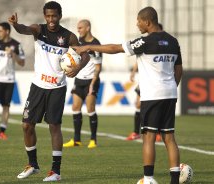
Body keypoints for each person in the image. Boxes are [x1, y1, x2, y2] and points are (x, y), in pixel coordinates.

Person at [73, 7, 183, 184]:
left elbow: (115, 48)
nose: (137, 24)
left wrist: (88, 46)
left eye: (139, 21)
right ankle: (175, 180)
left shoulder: (144, 42)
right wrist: (170, 87)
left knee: (148, 136)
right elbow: (179, 70)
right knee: (169, 137)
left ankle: (148, 179)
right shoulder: (173, 41)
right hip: (170, 93)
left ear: (147, 22)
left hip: (152, 95)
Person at [8, 1, 90, 182]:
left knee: (54, 127)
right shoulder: (39, 30)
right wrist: (14, 25)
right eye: (48, 16)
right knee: (26, 125)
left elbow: (86, 54)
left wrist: (77, 69)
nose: (51, 19)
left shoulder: (69, 37)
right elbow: (24, 29)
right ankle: (33, 165)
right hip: (37, 86)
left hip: (57, 89)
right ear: (45, 16)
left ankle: (55, 171)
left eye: (54, 16)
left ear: (60, 16)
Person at [63, 19, 102, 149]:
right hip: (79, 80)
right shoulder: (78, 43)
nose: (78, 30)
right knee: (75, 108)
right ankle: (77, 139)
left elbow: (98, 67)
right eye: (77, 28)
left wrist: (93, 83)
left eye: (80, 28)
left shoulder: (95, 44)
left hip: (91, 81)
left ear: (88, 28)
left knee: (90, 108)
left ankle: (93, 139)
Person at [126, 23, 163, 142]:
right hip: (143, 80)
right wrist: (133, 71)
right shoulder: (146, 42)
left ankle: (157, 132)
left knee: (155, 108)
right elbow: (140, 57)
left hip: (156, 82)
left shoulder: (163, 44)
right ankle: (136, 132)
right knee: (137, 104)